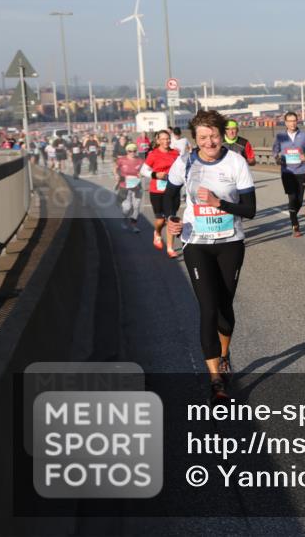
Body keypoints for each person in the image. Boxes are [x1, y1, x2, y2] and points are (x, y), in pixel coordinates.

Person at [165, 110, 256, 404]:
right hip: (196, 243)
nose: (209, 142)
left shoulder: (236, 162)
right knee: (207, 308)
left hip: (230, 243)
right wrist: (171, 218)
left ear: (222, 134)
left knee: (224, 305)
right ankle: (215, 378)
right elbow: (170, 193)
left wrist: (220, 203)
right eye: (203, 137)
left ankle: (224, 354)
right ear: (195, 139)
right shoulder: (185, 162)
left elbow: (250, 209)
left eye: (213, 136)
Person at [272, 111, 305, 237]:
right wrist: (277, 158)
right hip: (287, 172)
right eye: (289, 121)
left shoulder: (304, 135)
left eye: (294, 120)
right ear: (285, 122)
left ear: (297, 121)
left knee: (299, 200)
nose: (292, 123)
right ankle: (295, 225)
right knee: (292, 197)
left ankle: (292, 213)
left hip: (301, 171)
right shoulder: (280, 136)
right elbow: (275, 150)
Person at [141, 129, 181, 257]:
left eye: (168, 138)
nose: (166, 141)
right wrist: (155, 175)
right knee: (160, 220)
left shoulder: (176, 153)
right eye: (163, 139)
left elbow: (182, 168)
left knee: (171, 219)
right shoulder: (153, 154)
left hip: (173, 190)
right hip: (157, 191)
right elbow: (143, 170)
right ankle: (157, 232)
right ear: (158, 141)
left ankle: (170, 248)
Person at [114, 143, 145, 232]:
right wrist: (116, 175)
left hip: (137, 187)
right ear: (127, 151)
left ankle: (134, 226)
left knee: (136, 207)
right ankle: (124, 219)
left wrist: (141, 174)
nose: (132, 153)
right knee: (127, 208)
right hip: (124, 187)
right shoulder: (121, 160)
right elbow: (115, 168)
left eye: (134, 151)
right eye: (130, 151)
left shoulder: (140, 161)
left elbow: (144, 171)